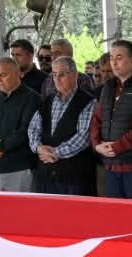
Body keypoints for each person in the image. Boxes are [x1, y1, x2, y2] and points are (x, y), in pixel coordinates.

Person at [91, 40, 132, 199]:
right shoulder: (107, 86)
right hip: (110, 164)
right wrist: (96, 145)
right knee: (115, 218)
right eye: (112, 57)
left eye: (119, 57)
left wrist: (117, 147)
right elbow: (97, 119)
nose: (114, 62)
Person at [29, 57, 97, 196]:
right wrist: (38, 147)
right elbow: (33, 129)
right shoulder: (47, 101)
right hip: (46, 175)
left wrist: (55, 153)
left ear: (75, 75)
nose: (57, 78)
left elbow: (83, 137)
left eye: (62, 74)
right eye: (54, 74)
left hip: (75, 177)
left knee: (76, 216)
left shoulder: (88, 102)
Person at [0, 56, 40, 192]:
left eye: (3, 75)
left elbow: (26, 131)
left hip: (20, 167)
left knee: (22, 211)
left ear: (17, 74)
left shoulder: (32, 98)